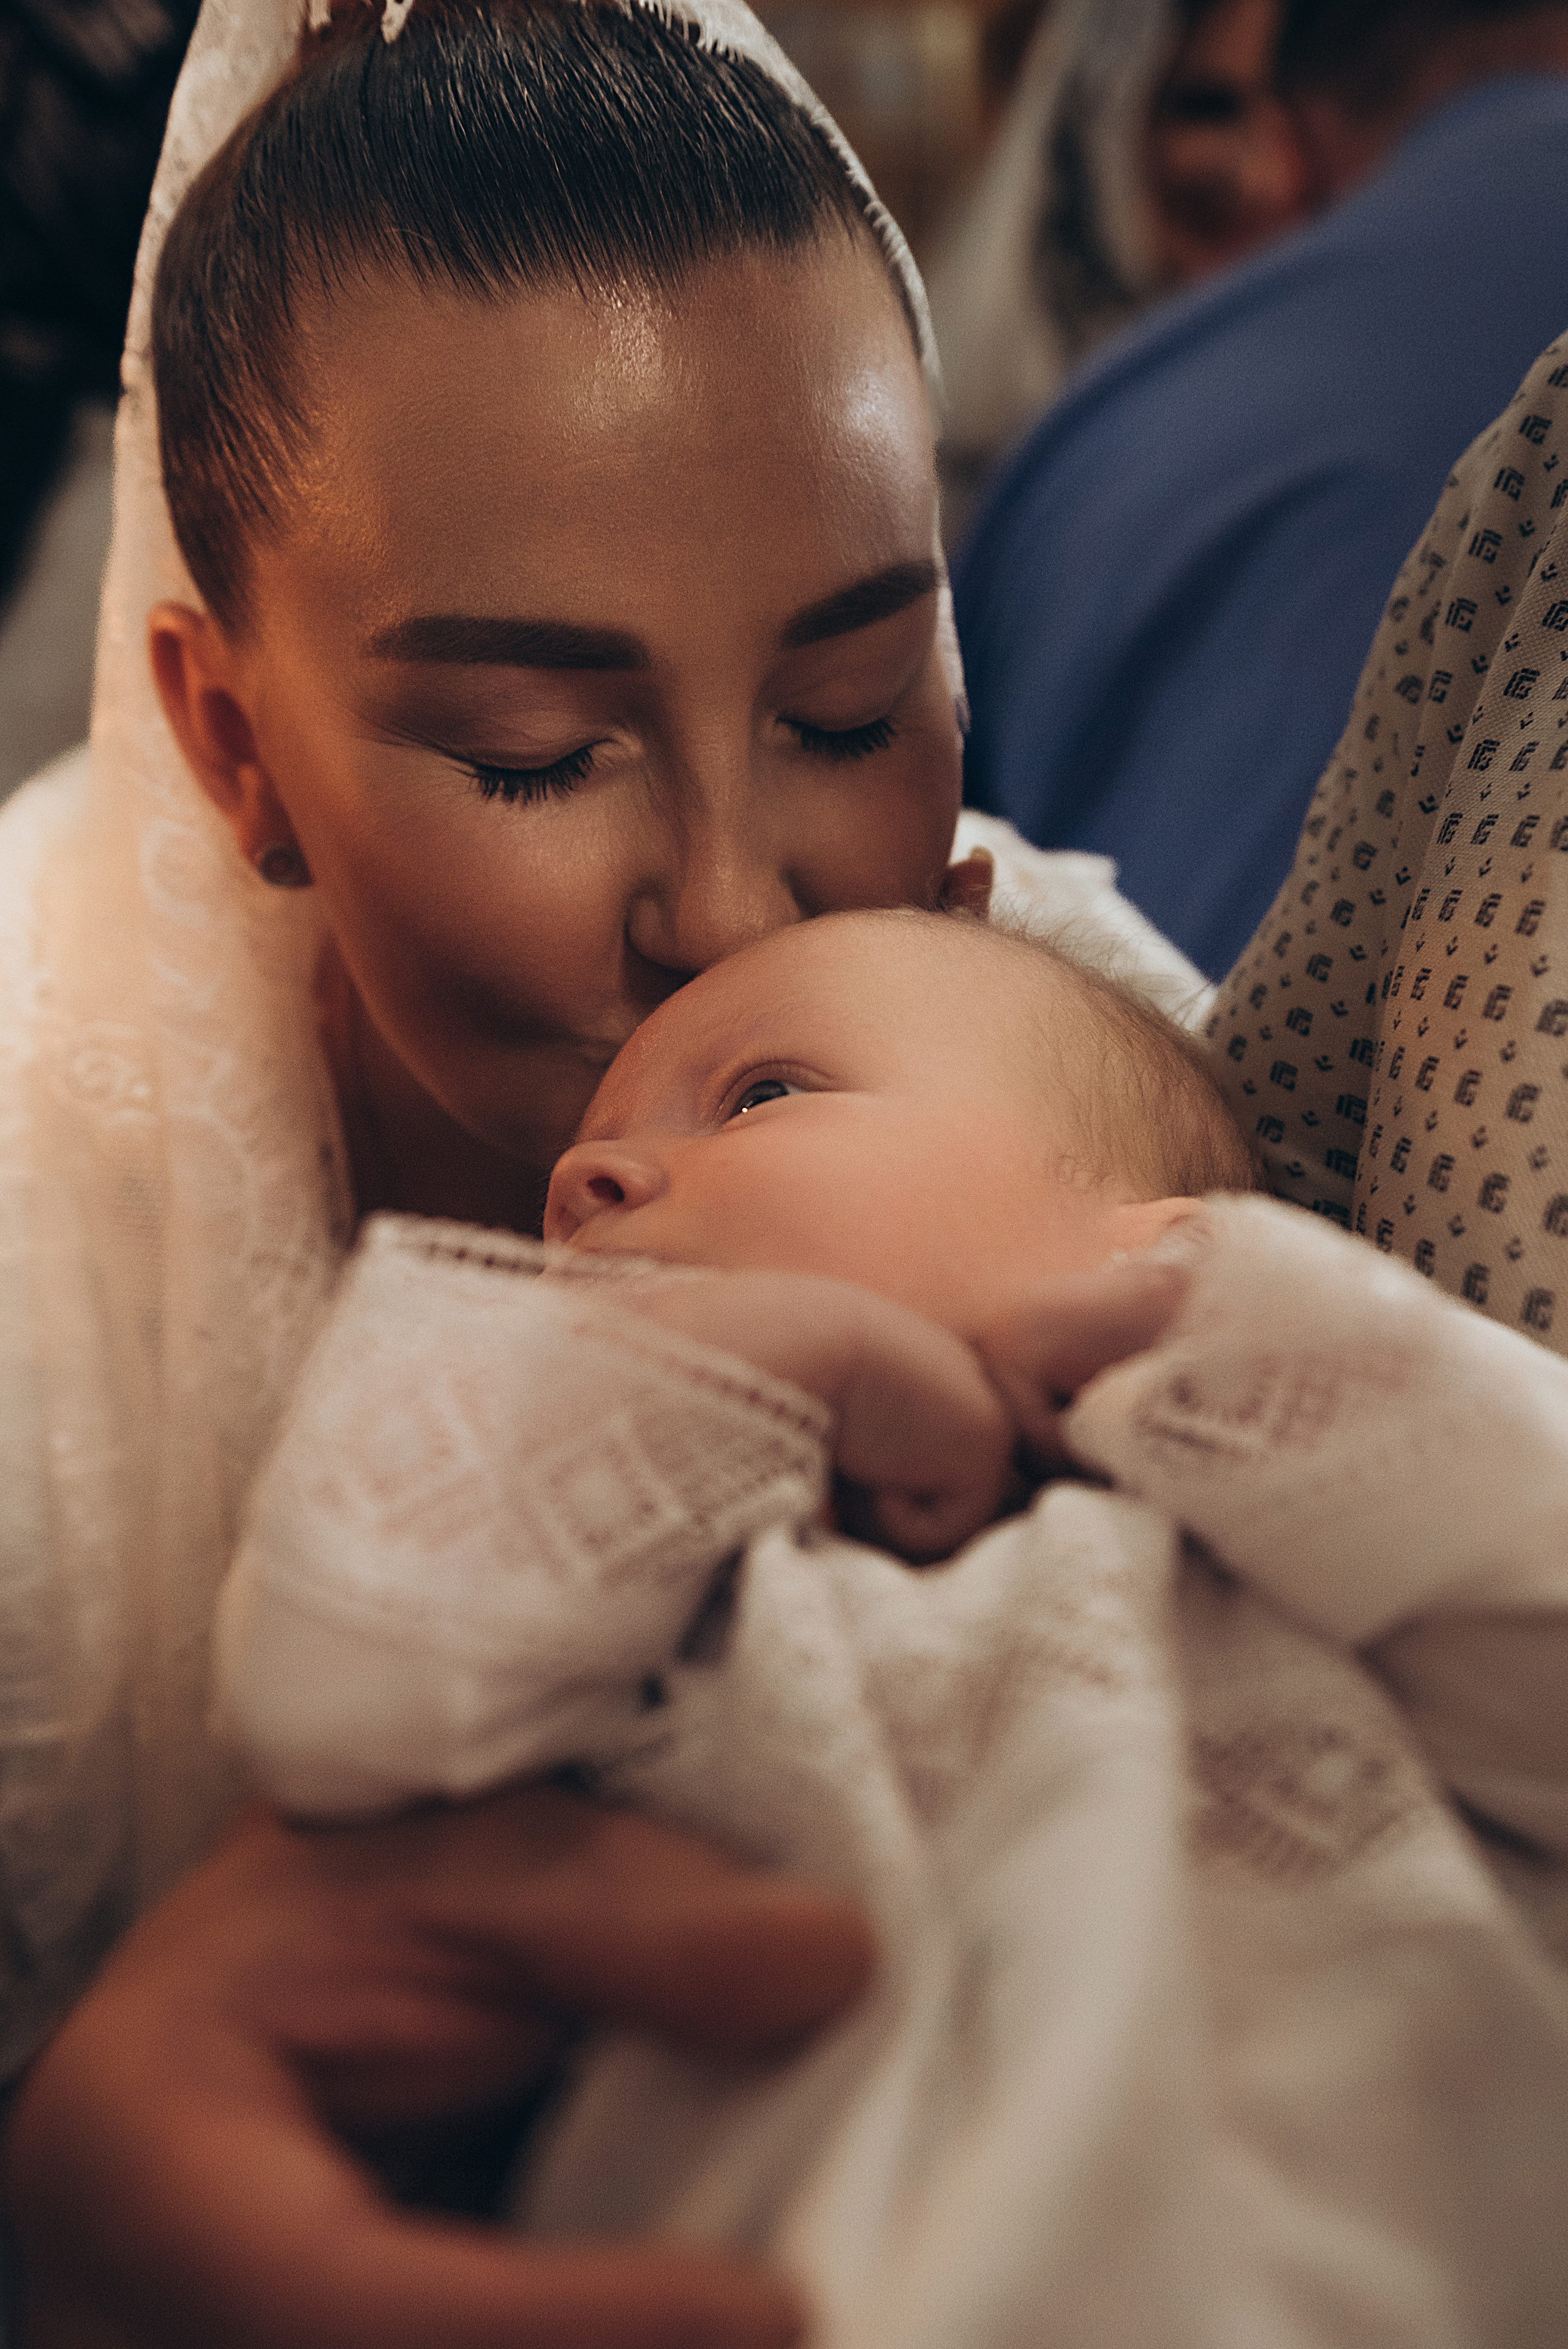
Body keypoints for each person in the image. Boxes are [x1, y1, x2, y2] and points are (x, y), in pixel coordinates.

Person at [0, 0, 1197, 2338]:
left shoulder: (1067, 1018)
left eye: (854, 711)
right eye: (542, 755)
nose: (744, 910)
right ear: (233, 743)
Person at [211, 907, 1568, 2343]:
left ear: (1155, 1252)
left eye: (763, 1094)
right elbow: (334, 1710)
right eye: (576, 1166)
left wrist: (1257, 1341)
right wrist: (748, 1360)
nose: (580, 1176)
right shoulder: (636, 1602)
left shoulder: (1293, 1535)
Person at [953, 0, 1568, 981]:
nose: (1235, 175)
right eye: (1199, 108)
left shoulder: (1118, 440)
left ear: (1294, 140)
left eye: (1242, 114)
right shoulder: (1087, 450)